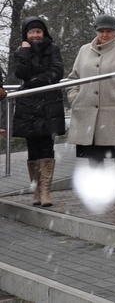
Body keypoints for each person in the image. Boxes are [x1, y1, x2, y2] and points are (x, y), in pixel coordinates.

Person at [67, 14, 115, 200]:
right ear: (96, 31)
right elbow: (73, 78)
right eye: (101, 31)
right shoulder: (84, 50)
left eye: (109, 31)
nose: (105, 35)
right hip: (88, 111)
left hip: (113, 111)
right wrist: (74, 97)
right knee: (95, 155)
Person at [13, 16, 65, 207]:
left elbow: (57, 72)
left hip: (48, 105)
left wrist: (33, 82)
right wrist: (25, 53)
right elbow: (20, 73)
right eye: (31, 32)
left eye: (38, 31)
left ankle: (46, 192)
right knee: (32, 149)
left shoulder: (53, 49)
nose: (35, 35)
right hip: (28, 107)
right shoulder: (21, 51)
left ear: (44, 33)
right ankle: (36, 190)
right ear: (26, 34)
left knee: (46, 147)